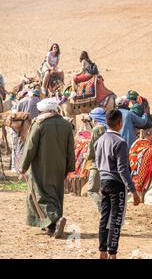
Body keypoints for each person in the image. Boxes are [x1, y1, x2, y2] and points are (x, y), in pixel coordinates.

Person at [19, 97, 75, 238]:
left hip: (42, 166)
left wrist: (23, 166)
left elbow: (30, 148)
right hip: (60, 166)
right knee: (55, 194)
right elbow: (70, 149)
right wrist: (70, 167)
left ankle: (56, 219)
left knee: (40, 195)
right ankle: (51, 226)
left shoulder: (39, 124)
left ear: (42, 110)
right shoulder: (66, 124)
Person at [95, 109, 140, 259]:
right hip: (117, 185)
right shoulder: (120, 142)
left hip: (103, 182)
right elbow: (122, 169)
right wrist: (133, 190)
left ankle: (102, 251)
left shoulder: (100, 140)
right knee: (116, 218)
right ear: (120, 123)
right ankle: (112, 253)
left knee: (104, 217)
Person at [86, 107, 108, 212]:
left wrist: (88, 158)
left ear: (95, 119)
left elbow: (92, 149)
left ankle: (103, 208)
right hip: (110, 162)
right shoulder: (110, 127)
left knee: (92, 190)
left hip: (99, 162)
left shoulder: (97, 129)